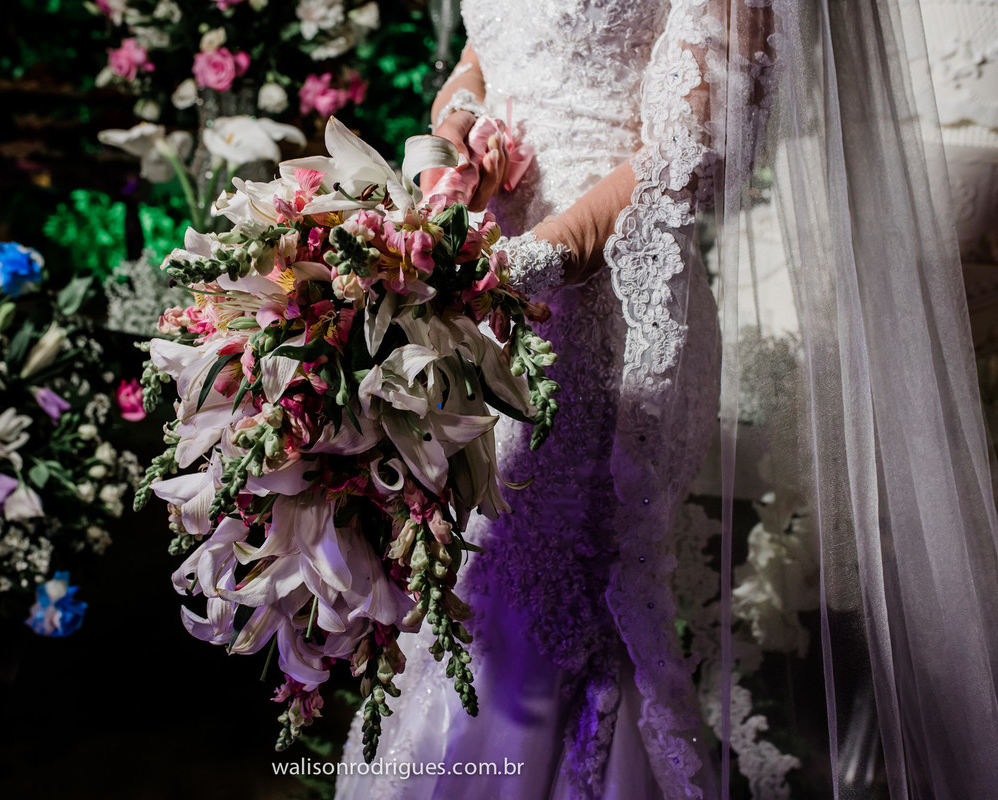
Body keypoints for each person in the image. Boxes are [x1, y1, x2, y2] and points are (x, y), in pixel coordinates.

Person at [336, 1, 998, 798]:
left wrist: (511, 273)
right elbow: (488, 50)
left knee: (542, 616)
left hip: (604, 313)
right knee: (466, 602)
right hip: (475, 293)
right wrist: (457, 144)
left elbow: (695, 148)